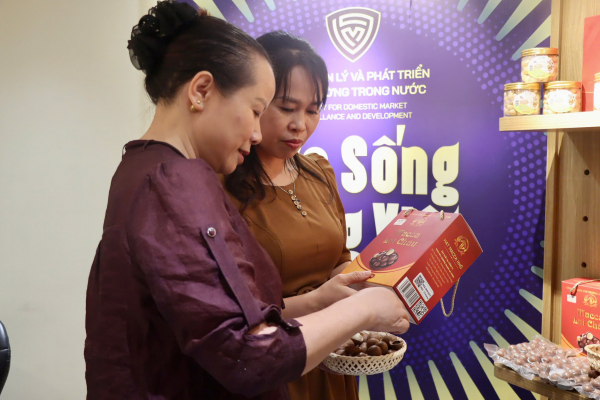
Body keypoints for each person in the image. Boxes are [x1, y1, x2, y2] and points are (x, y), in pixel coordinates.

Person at [85, 2, 411, 400]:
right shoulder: (175, 184)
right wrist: (366, 309)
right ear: (201, 91)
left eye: (312, 109)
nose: (257, 134)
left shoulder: (141, 167)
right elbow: (247, 354)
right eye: (257, 110)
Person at [225, 31, 377, 400]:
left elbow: (338, 261)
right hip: (273, 364)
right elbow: (234, 312)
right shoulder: (223, 184)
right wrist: (320, 300)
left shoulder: (318, 172)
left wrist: (368, 280)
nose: (300, 125)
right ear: (257, 101)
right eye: (286, 107)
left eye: (312, 110)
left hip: (332, 355)